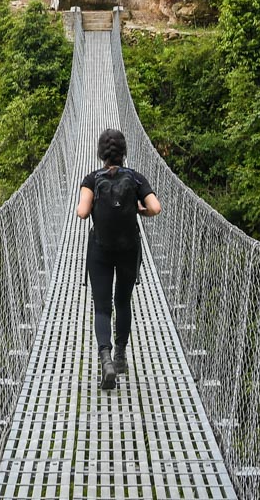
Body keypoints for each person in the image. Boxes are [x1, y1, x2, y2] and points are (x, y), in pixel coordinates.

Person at [77, 126, 161, 390]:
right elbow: (155, 208)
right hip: (129, 249)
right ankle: (121, 356)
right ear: (124, 152)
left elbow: (81, 212)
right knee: (122, 302)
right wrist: (138, 211)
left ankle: (106, 360)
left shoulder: (92, 179)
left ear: (101, 153)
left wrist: (92, 204)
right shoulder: (135, 178)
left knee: (102, 307)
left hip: (100, 250)